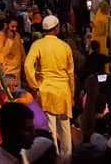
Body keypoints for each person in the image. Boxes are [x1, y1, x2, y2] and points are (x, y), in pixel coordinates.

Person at [23, 15, 74, 158]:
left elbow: (27, 66)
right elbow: (70, 73)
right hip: (63, 91)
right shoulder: (65, 46)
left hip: (46, 90)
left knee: (51, 128)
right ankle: (67, 158)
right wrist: (72, 92)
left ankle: (54, 157)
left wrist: (34, 85)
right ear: (56, 28)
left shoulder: (37, 45)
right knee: (65, 128)